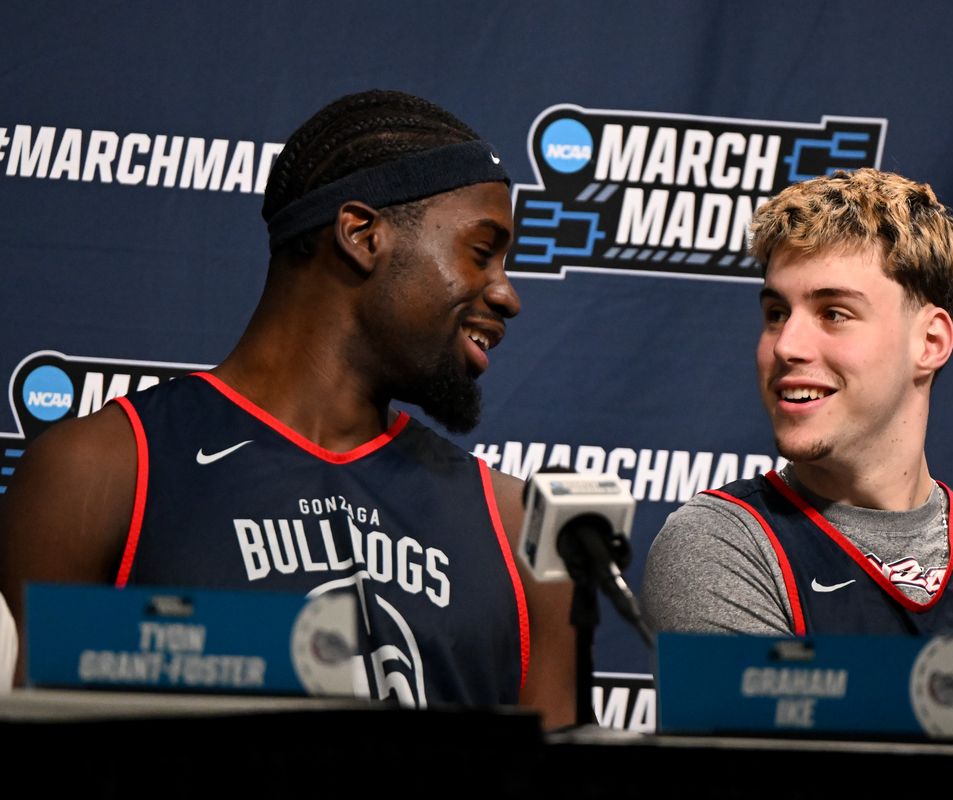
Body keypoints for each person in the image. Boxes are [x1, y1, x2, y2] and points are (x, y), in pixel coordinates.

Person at [0, 90, 575, 727]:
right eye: (481, 250)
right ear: (362, 235)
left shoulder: (522, 526)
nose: (507, 294)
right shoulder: (104, 469)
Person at [641, 168, 953, 745]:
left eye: (834, 313)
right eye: (776, 313)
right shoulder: (718, 547)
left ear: (930, 342)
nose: (787, 346)